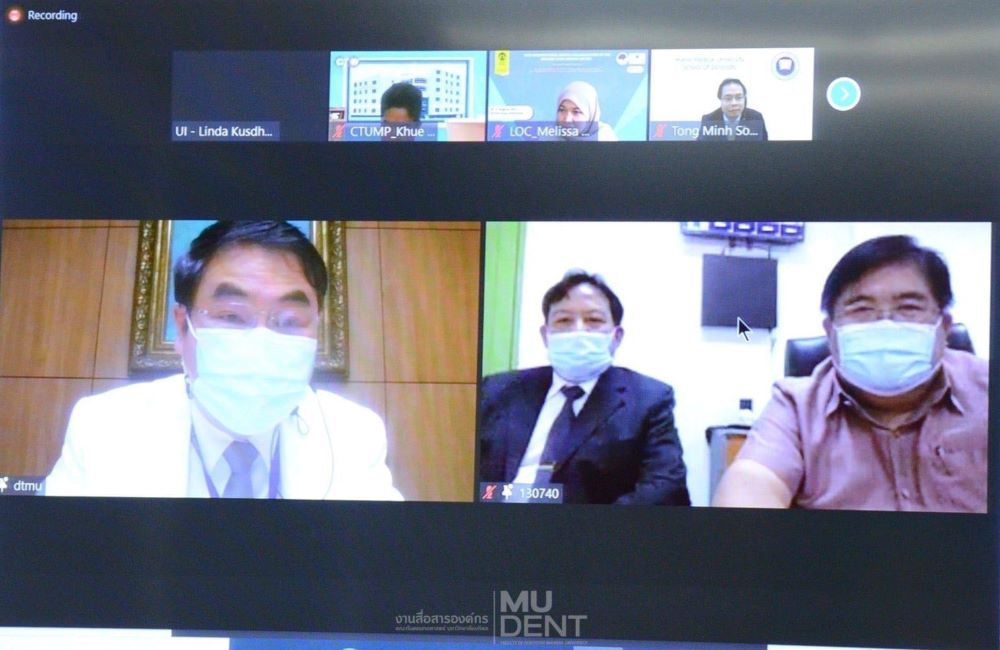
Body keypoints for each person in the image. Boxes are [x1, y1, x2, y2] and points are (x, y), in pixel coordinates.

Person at [45, 221, 403, 500]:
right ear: (183, 327)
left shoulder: (354, 434)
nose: (261, 342)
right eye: (232, 316)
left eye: (290, 320)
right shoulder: (104, 427)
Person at [713, 236, 987, 512]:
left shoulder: (987, 389)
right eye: (862, 309)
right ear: (830, 331)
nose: (885, 325)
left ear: (945, 326)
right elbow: (751, 484)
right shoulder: (796, 406)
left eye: (909, 307)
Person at [478, 270, 690, 505]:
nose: (578, 331)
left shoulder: (649, 398)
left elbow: (666, 485)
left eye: (594, 320)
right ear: (546, 335)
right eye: (563, 321)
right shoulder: (499, 389)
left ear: (616, 336)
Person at [697, 78, 768, 141]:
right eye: (728, 98)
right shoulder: (709, 120)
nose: (734, 103)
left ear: (745, 99)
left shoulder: (756, 118)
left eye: (739, 97)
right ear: (720, 99)